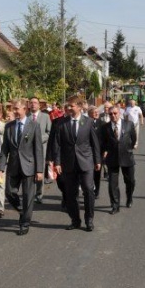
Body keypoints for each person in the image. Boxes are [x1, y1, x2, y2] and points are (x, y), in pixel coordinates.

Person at [51, 95, 101, 231]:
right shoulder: (61, 123)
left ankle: (89, 219)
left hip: (86, 162)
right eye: (67, 105)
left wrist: (97, 160)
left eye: (71, 105)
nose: (68, 108)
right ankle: (75, 220)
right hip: (69, 164)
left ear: (79, 107)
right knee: (71, 194)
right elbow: (57, 144)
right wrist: (57, 162)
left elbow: (94, 143)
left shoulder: (89, 122)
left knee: (88, 190)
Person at [0, 99, 44, 235]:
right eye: (13, 109)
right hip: (13, 165)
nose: (15, 111)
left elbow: (38, 149)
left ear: (25, 109)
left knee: (28, 196)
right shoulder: (9, 126)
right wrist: (1, 168)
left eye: (17, 109)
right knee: (9, 192)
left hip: (29, 166)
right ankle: (23, 212)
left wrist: (39, 170)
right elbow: (5, 148)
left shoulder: (34, 125)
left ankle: (25, 223)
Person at [101, 105, 137, 214]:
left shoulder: (129, 124)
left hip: (127, 157)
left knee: (130, 181)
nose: (113, 116)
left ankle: (129, 197)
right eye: (110, 114)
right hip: (112, 158)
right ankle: (115, 205)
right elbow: (103, 143)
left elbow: (133, 139)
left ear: (119, 113)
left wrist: (128, 148)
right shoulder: (105, 127)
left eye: (115, 113)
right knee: (112, 184)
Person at [28, 96, 52, 205]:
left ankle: (39, 194)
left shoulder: (45, 116)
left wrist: (38, 139)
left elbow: (49, 132)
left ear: (39, 105)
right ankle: (30, 194)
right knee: (29, 172)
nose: (33, 104)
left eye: (35, 102)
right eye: (31, 102)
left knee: (40, 171)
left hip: (41, 149)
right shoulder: (26, 117)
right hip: (28, 150)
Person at [88, 106, 106, 197]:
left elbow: (106, 139)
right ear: (89, 114)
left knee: (97, 172)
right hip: (88, 152)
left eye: (97, 112)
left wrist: (105, 150)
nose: (96, 113)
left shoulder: (102, 124)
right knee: (87, 172)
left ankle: (96, 191)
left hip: (99, 152)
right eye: (94, 112)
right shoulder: (86, 123)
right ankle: (88, 189)